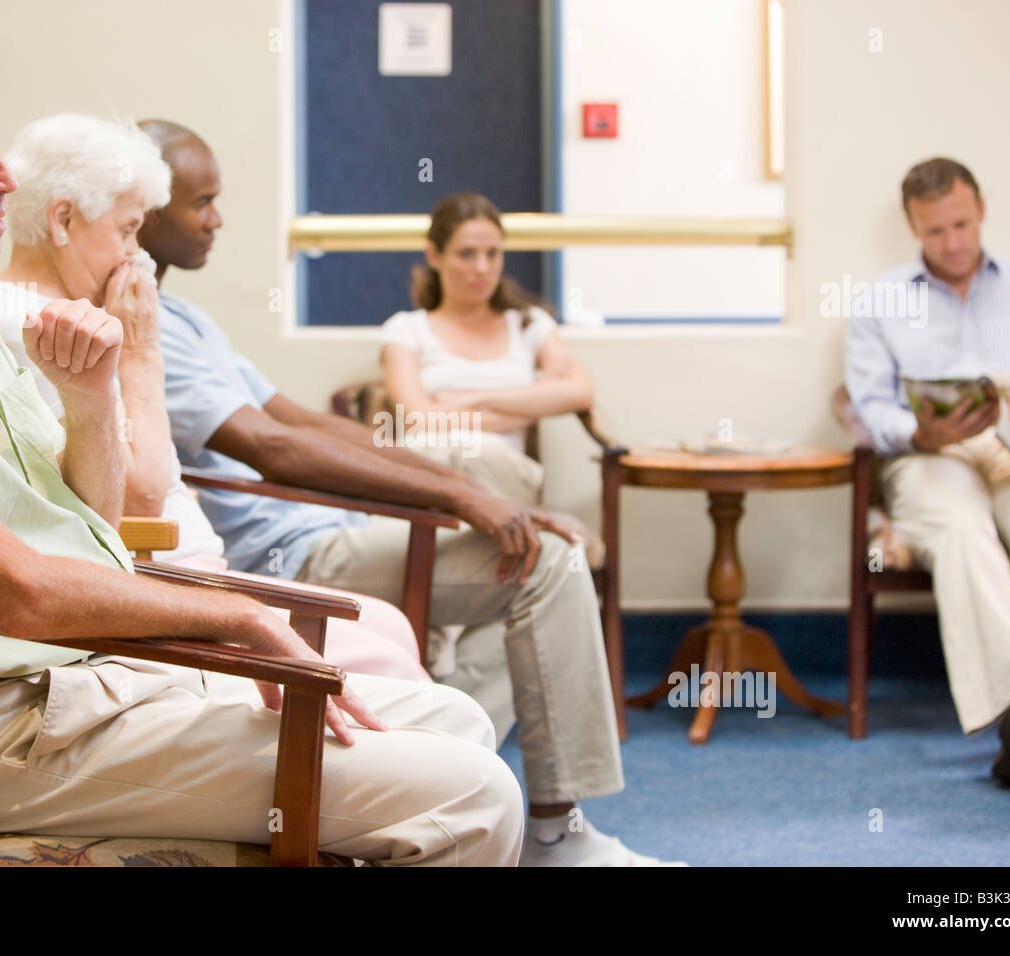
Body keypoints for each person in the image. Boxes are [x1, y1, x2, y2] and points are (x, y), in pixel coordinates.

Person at [0, 28, 523, 866]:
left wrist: (92, 398)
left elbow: (91, 530)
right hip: (8, 731)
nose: (5, 176)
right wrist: (240, 619)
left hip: (87, 681)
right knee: (473, 793)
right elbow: (16, 594)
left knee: (460, 721)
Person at [139, 120, 682, 866]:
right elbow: (273, 446)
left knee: (519, 531)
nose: (218, 219)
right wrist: (461, 492)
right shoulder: (143, 326)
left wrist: (453, 484)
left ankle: (509, 805)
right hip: (284, 557)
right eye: (202, 203)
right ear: (142, 206)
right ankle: (554, 836)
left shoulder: (185, 317)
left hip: (326, 531)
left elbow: (297, 417)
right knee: (547, 563)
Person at [0, 111, 427, 683]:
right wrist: (140, 351)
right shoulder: (40, 328)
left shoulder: (61, 312)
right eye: (127, 230)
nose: (136, 257)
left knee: (388, 627)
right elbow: (141, 498)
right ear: (63, 219)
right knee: (388, 661)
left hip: (187, 575)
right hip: (151, 590)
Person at [845, 156, 1010, 788]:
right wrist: (919, 430)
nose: (951, 242)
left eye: (961, 225)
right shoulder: (878, 304)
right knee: (960, 530)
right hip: (932, 459)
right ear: (912, 228)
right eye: (934, 231)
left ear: (981, 212)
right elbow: (871, 409)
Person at [380, 191, 593, 506]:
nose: (482, 268)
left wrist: (471, 399)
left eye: (493, 254)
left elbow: (579, 392)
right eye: (466, 254)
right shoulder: (405, 330)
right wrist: (530, 403)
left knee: (472, 459)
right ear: (434, 256)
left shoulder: (530, 324)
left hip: (502, 475)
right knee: (430, 458)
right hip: (428, 468)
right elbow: (418, 421)